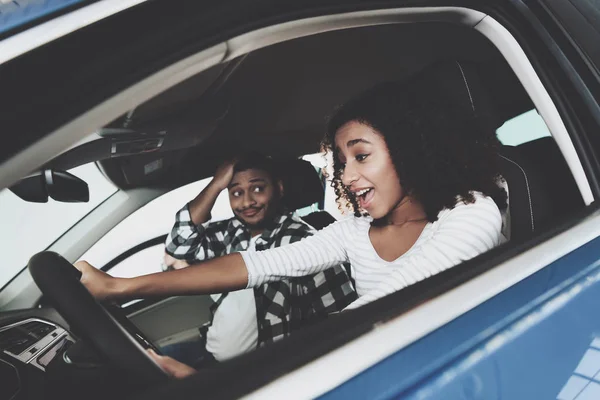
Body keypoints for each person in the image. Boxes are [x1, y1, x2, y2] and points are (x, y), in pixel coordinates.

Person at [75, 81, 508, 377]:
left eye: (361, 156)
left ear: (410, 149)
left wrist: (215, 387)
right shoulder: (355, 231)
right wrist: (120, 286)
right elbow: (258, 264)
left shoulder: (472, 212)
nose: (348, 175)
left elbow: (381, 312)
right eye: (341, 163)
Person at [149, 153, 356, 368]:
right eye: (236, 192)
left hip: (256, 370)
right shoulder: (232, 231)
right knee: (142, 366)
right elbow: (179, 246)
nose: (247, 201)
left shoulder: (303, 242)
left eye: (258, 189)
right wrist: (216, 185)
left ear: (279, 188)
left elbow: (341, 318)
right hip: (208, 351)